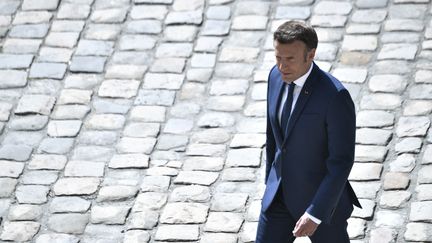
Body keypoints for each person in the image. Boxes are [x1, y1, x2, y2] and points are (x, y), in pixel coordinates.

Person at [255, 20, 362, 243]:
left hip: (322, 206)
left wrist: (315, 213)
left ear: (310, 55)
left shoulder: (334, 96)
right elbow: (273, 136)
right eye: (278, 58)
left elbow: (341, 161)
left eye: (290, 59)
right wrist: (270, 184)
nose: (282, 67)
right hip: (278, 199)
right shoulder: (274, 77)